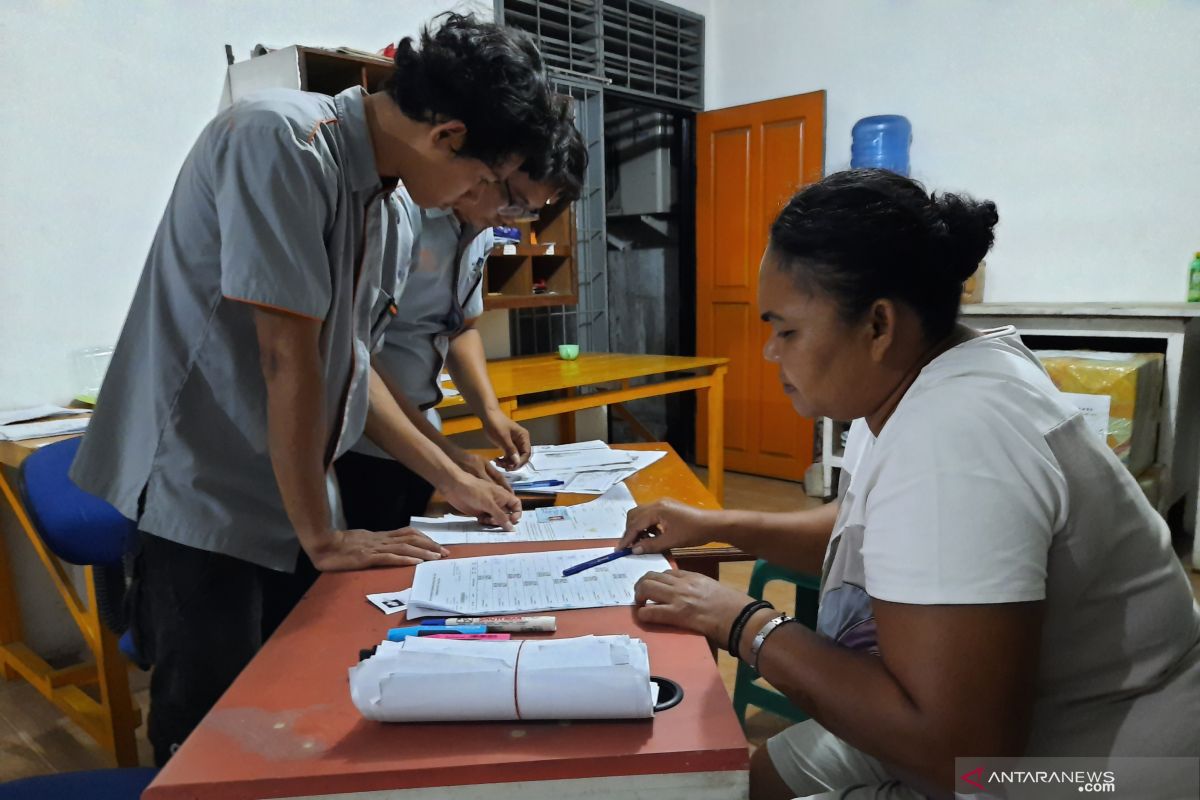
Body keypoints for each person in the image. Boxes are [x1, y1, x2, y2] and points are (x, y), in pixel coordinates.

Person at [69, 13, 559, 764]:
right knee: (209, 728)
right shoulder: (280, 140)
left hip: (289, 483)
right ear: (449, 136)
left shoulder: (388, 204)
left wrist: (449, 477)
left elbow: (353, 363)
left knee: (293, 701)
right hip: (202, 485)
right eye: (491, 183)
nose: (481, 202)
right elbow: (285, 358)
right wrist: (323, 536)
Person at [618, 169, 1200, 799]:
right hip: (995, 726)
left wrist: (746, 625)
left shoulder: (957, 433)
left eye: (785, 329)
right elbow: (871, 537)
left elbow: (961, 754)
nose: (770, 352)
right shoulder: (921, 381)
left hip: (1080, 764)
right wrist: (718, 524)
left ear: (877, 325)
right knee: (760, 781)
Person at [336, 104, 588, 531]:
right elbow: (356, 357)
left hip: (422, 430)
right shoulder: (400, 212)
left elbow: (460, 327)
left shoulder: (481, 226)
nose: (512, 219)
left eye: (528, 212)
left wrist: (491, 414)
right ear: (491, 167)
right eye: (515, 201)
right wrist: (449, 460)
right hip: (367, 435)